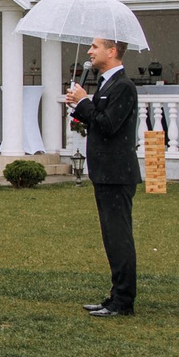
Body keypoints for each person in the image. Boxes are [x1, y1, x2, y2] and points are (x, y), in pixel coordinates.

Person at [64, 36, 140, 316]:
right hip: (105, 173)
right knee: (111, 236)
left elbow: (108, 125)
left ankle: (124, 301)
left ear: (112, 51)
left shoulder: (124, 86)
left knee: (119, 237)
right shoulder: (107, 84)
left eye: (95, 47)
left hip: (117, 174)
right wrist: (80, 106)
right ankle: (115, 295)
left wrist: (84, 102)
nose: (89, 51)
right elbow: (98, 120)